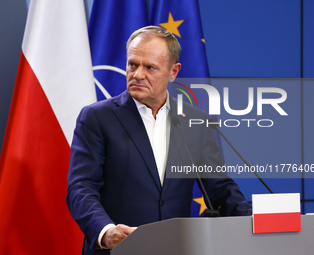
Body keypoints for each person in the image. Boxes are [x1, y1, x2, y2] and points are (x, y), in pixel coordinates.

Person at [66, 26, 252, 255]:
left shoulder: (195, 121)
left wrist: (260, 221)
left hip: (177, 248)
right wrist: (105, 231)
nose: (137, 74)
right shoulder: (97, 118)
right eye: (132, 64)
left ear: (173, 72)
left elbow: (221, 191)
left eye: (149, 67)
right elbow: (80, 187)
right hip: (118, 251)